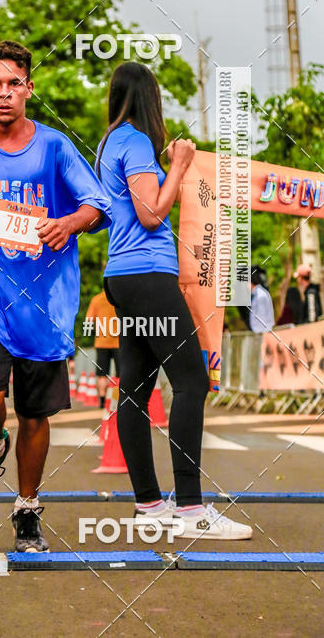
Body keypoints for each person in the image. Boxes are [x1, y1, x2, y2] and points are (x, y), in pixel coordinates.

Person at [0, 40, 111, 552]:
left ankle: (28, 509)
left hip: (46, 302)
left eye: (14, 83)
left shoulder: (53, 147)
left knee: (34, 415)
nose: (5, 93)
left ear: (29, 89)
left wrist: (70, 223)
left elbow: (96, 203)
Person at [96, 61, 252, 539]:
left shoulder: (108, 143)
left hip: (124, 277)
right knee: (190, 381)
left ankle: (149, 504)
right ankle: (190, 509)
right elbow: (151, 213)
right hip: (146, 274)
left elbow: (112, 213)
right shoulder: (136, 141)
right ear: (151, 100)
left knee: (136, 390)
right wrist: (180, 164)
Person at [85, 288, 120, 407]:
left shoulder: (96, 300)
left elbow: (89, 320)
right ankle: (118, 399)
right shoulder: (119, 298)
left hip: (101, 342)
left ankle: (102, 399)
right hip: (118, 342)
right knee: (120, 374)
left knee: (102, 374)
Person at [249, 266, 275, 333]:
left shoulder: (260, 295)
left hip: (262, 334)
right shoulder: (259, 294)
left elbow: (262, 318)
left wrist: (260, 334)